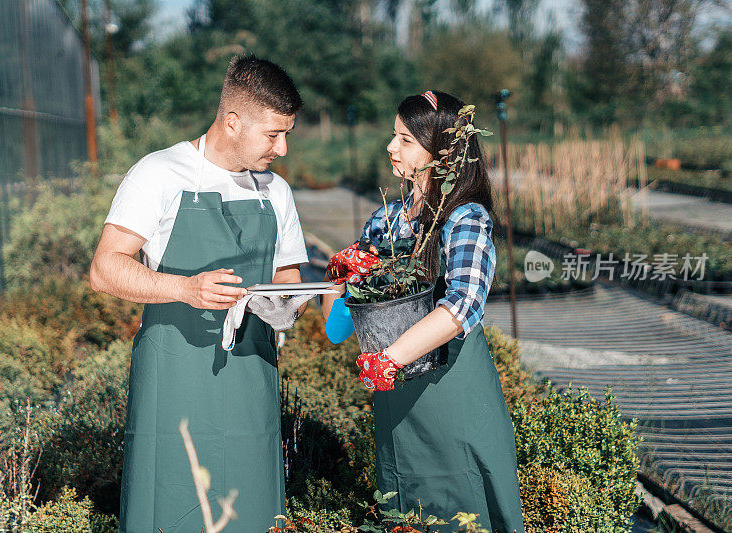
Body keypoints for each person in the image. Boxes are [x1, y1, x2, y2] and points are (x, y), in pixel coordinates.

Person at [89, 55, 309, 533]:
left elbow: (289, 276)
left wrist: (286, 306)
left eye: (287, 133)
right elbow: (105, 269)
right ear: (233, 121)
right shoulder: (159, 173)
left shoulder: (276, 191)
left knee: (251, 512)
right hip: (175, 379)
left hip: (253, 378)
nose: (283, 149)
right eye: (273, 134)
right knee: (171, 503)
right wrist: (185, 288)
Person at [322, 91, 525, 532]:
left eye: (406, 140)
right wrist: (343, 280)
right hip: (396, 402)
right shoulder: (385, 222)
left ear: (442, 153)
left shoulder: (464, 218)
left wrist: (391, 358)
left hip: (452, 395)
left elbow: (463, 305)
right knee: (404, 508)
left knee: (464, 507)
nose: (391, 148)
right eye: (394, 136)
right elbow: (337, 329)